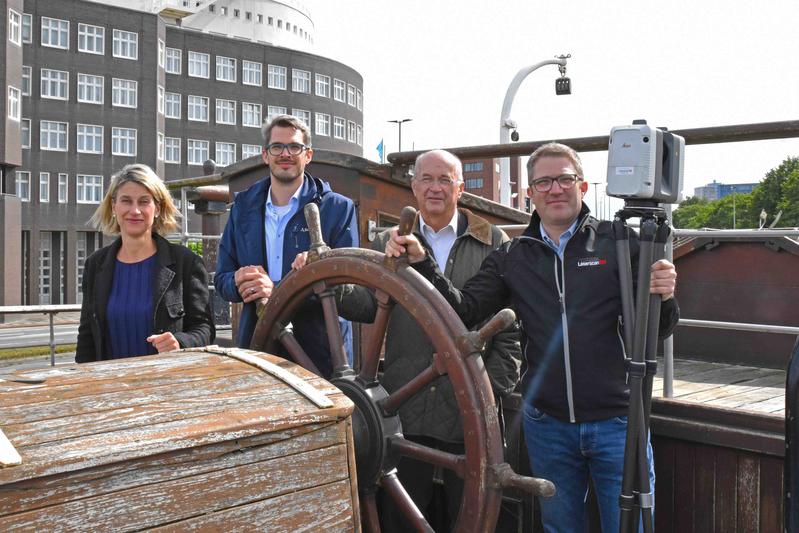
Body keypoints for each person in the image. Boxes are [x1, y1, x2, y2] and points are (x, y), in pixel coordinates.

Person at [386, 143, 679, 532]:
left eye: (564, 179)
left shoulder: (618, 244)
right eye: (543, 182)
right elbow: (462, 310)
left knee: (629, 528)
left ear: (584, 186)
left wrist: (666, 295)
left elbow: (657, 329)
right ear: (530, 194)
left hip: (618, 421)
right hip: (549, 425)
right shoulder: (514, 256)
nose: (555, 189)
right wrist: (421, 262)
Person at [312, 149, 521, 530]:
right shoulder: (386, 241)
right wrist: (324, 280)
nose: (435, 188)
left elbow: (509, 335)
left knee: (468, 516)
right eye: (427, 179)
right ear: (414, 186)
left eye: (445, 180)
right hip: (403, 409)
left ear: (461, 188)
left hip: (468, 416)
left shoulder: (494, 242)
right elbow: (364, 304)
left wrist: (487, 394)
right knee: (405, 521)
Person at [214, 114, 359, 377]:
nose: (285, 154)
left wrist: (280, 290)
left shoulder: (338, 209)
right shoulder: (243, 208)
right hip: (259, 348)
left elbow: (350, 287)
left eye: (294, 147)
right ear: (265, 155)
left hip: (321, 354)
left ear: (308, 155)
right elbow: (223, 279)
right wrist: (238, 281)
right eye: (277, 147)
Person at [76, 164, 215, 362]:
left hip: (165, 385)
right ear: (114, 206)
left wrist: (180, 342)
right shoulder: (95, 265)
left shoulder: (187, 263)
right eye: (126, 201)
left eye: (144, 202)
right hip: (110, 385)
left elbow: (205, 329)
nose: (135, 210)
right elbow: (87, 336)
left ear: (157, 208)